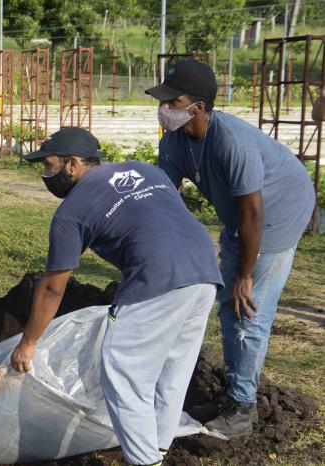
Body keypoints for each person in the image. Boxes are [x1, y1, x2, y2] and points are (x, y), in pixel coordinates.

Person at [10, 127, 223, 466]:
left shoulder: (71, 212)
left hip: (156, 277)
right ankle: (158, 448)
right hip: (204, 272)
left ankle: (144, 460)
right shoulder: (145, 169)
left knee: (124, 376)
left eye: (49, 166)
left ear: (72, 164)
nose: (45, 175)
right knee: (173, 372)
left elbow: (53, 286)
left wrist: (29, 342)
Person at [145, 60, 315, 439]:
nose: (165, 108)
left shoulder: (230, 142)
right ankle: (233, 395)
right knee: (228, 306)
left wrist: (243, 276)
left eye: (173, 102)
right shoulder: (173, 142)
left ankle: (243, 407)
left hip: (277, 211)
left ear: (199, 107)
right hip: (244, 214)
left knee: (248, 311)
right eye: (164, 101)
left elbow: (253, 215)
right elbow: (164, 200)